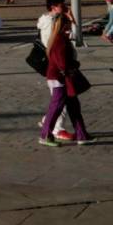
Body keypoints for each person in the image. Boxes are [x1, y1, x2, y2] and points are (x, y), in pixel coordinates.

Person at [39, 12, 93, 146]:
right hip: (59, 78)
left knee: (74, 107)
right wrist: (75, 65)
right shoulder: (60, 40)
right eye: (68, 26)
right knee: (56, 107)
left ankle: (82, 135)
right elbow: (62, 64)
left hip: (61, 77)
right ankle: (45, 135)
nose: (69, 29)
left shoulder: (58, 38)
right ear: (63, 26)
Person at [37, 0, 75, 143]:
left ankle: (47, 121)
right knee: (61, 100)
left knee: (58, 99)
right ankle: (57, 129)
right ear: (53, 7)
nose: (65, 8)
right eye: (62, 5)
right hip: (57, 66)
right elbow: (63, 41)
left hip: (56, 64)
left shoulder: (53, 20)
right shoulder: (51, 22)